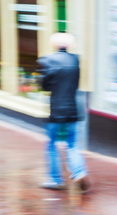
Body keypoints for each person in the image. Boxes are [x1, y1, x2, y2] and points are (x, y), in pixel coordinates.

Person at [38, 33, 90, 192]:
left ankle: (55, 179)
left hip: (56, 110)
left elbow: (43, 86)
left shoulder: (46, 61)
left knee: (52, 145)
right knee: (72, 145)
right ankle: (79, 171)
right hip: (73, 109)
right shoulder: (76, 60)